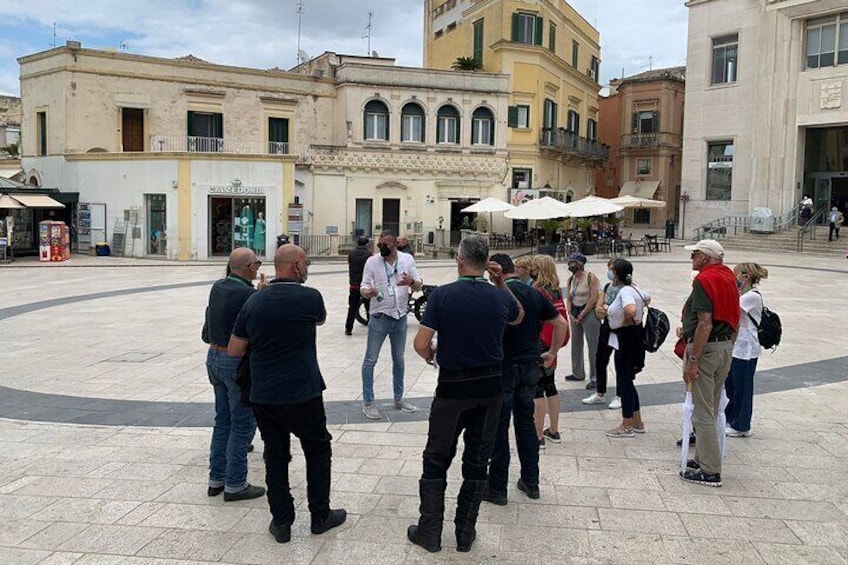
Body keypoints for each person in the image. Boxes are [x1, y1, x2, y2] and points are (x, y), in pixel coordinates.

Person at [407, 235, 522, 553]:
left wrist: (432, 354)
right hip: (490, 388)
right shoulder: (499, 298)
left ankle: (429, 531)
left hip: (453, 390)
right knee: (477, 460)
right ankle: (464, 532)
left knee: (436, 459)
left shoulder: (443, 295)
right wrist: (500, 282)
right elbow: (518, 315)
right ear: (486, 264)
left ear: (459, 260)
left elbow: (420, 344)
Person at [228, 244, 346, 543]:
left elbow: (234, 349)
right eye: (305, 264)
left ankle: (281, 522)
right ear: (295, 265)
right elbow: (319, 320)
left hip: (264, 394)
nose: (307, 269)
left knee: (275, 455)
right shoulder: (310, 297)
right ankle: (320, 515)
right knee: (318, 450)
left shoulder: (254, 302)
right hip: (303, 391)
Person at [483, 253, 567, 506]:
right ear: (513, 269)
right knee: (527, 424)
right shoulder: (534, 294)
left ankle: (497, 488)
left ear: (494, 271)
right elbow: (561, 323)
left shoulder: (495, 294)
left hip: (504, 367)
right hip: (530, 365)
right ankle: (531, 482)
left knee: (499, 427)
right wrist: (552, 352)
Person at [202, 248, 265, 502]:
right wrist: (262, 295)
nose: (258, 268)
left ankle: (216, 478)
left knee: (223, 421)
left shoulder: (218, 287)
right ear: (249, 267)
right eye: (257, 263)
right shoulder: (248, 294)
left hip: (214, 358)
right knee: (242, 424)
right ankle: (236, 483)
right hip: (234, 362)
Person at [678, 239, 739, 487]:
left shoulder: (704, 280)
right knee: (711, 407)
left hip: (708, 348)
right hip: (724, 347)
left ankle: (710, 470)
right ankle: (703, 457)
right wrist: (728, 346)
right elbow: (736, 317)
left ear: (705, 257)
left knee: (702, 410)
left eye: (695, 254)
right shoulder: (728, 277)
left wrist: (694, 359)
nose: (692, 258)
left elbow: (705, 322)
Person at [360, 229, 423, 419]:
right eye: (379, 244)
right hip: (379, 315)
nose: (382, 248)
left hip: (400, 316)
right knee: (371, 359)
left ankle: (398, 398)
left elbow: (419, 284)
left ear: (395, 244)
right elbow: (363, 286)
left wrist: (411, 281)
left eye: (385, 245)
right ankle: (368, 401)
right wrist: (367, 292)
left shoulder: (407, 260)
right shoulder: (372, 262)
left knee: (399, 359)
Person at [603, 259, 649, 438]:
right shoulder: (634, 289)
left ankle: (627, 424)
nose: (610, 273)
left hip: (626, 338)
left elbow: (630, 310)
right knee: (627, 380)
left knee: (624, 380)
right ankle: (637, 421)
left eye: (612, 271)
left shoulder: (625, 292)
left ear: (617, 274)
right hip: (631, 338)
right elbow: (647, 298)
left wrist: (628, 321)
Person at [725, 263, 768, 437]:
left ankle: (742, 425)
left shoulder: (752, 296)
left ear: (745, 276)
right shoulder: (744, 294)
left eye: (736, 275)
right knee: (732, 385)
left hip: (746, 349)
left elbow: (730, 308)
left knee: (743, 387)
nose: (733, 279)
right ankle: (732, 417)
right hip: (738, 347)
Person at [531, 254, 565, 448]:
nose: (531, 270)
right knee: (550, 385)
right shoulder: (556, 290)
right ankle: (553, 429)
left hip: (538, 341)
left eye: (534, 267)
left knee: (537, 389)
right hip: (552, 342)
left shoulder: (538, 290)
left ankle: (538, 436)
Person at [582, 258, 621, 410]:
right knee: (600, 360)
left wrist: (608, 309)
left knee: (620, 363)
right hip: (607, 327)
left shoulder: (627, 289)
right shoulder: (607, 286)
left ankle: (620, 395)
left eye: (612, 269)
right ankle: (600, 393)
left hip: (620, 330)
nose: (609, 272)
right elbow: (599, 308)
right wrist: (607, 308)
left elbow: (624, 309)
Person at [564, 252, 601, 389]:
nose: (570, 265)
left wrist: (583, 313)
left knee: (593, 344)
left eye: (572, 263)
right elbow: (569, 297)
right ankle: (577, 372)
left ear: (579, 264)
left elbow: (593, 297)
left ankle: (596, 376)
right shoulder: (571, 279)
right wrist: (570, 312)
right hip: (574, 312)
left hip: (589, 312)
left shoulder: (591, 277)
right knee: (576, 342)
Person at [345, 237, 371, 336]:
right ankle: (372, 327)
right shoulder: (369, 254)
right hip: (366, 284)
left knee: (352, 307)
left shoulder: (351, 254)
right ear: (367, 244)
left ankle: (348, 328)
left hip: (354, 285)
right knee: (369, 307)